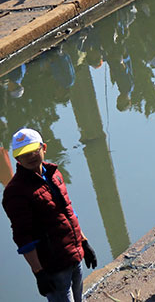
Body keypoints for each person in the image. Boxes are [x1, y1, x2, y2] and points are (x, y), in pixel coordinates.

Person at [3, 128, 99, 302]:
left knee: (79, 298)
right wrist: (39, 272)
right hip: (53, 266)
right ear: (17, 159)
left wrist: (84, 242)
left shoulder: (54, 174)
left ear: (44, 148)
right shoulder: (15, 192)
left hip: (74, 254)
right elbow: (24, 238)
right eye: (25, 154)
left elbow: (69, 212)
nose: (31, 157)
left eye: (34, 151)